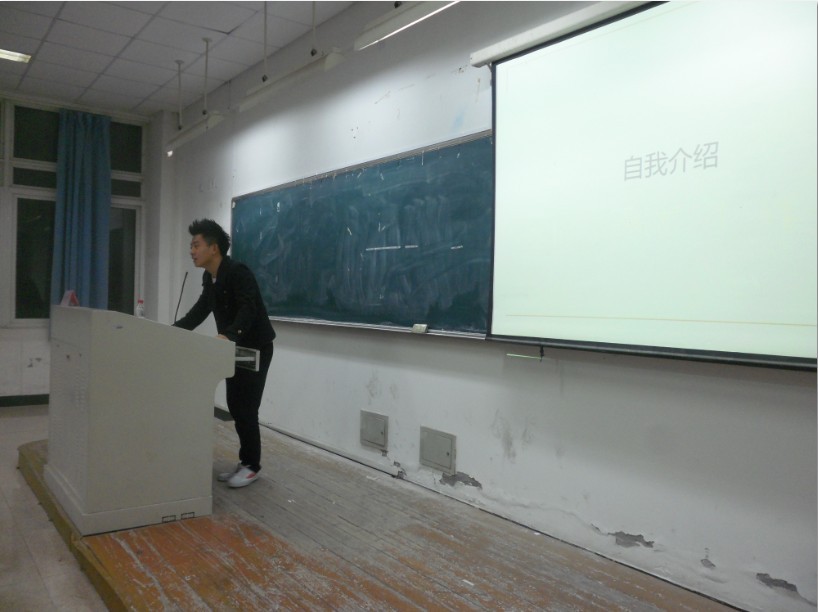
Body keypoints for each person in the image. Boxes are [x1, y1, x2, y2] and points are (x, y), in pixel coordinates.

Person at [174, 219, 275, 488]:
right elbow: (200, 311)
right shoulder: (210, 278)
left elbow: (248, 308)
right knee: (235, 404)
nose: (191, 251)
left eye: (196, 245)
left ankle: (252, 466)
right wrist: (172, 332)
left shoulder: (238, 272)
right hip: (233, 348)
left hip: (255, 348)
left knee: (246, 407)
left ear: (214, 248)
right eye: (191, 246)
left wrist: (230, 335)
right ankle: (244, 462)